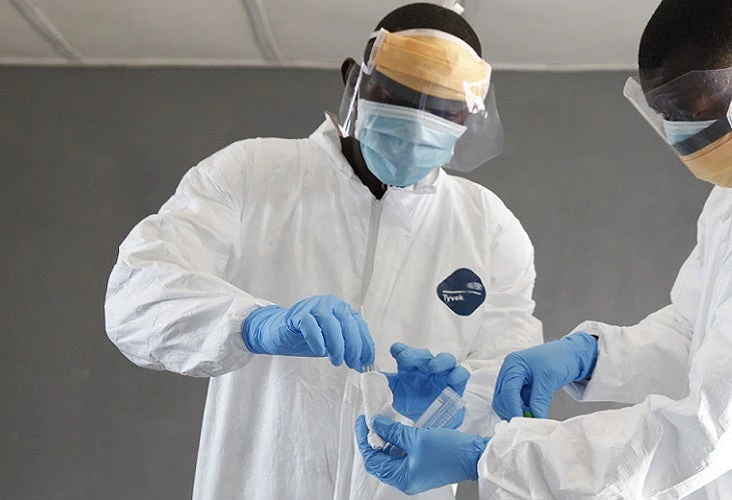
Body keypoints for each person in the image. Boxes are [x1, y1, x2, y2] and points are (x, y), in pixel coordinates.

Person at [353, 0, 732, 497]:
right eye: (668, 119)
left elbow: (710, 421)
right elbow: (695, 332)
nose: (686, 137)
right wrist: (590, 355)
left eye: (696, 113)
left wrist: (487, 457)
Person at [103, 3, 542, 499]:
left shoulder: (489, 227)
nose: (420, 128)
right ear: (354, 80)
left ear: (467, 118)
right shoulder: (254, 174)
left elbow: (511, 378)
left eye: (444, 112)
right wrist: (253, 324)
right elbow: (136, 296)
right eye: (400, 99)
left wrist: (447, 403)